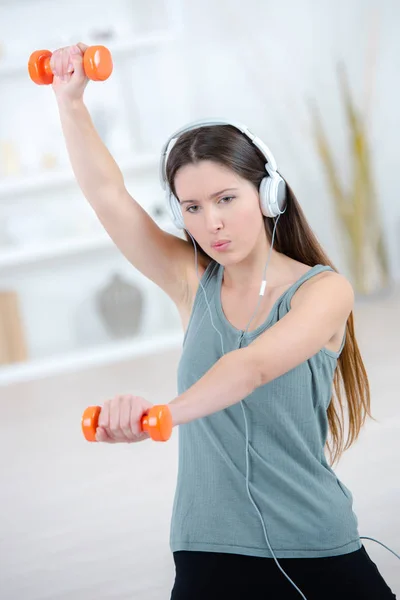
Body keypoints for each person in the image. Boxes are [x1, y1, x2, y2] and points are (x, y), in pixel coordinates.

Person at [50, 44, 398, 599]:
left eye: (225, 198)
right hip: (206, 544)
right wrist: (70, 102)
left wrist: (160, 415)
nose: (210, 223)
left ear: (268, 193)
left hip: (315, 543)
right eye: (191, 207)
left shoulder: (324, 291)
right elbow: (109, 197)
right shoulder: (191, 281)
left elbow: (252, 366)